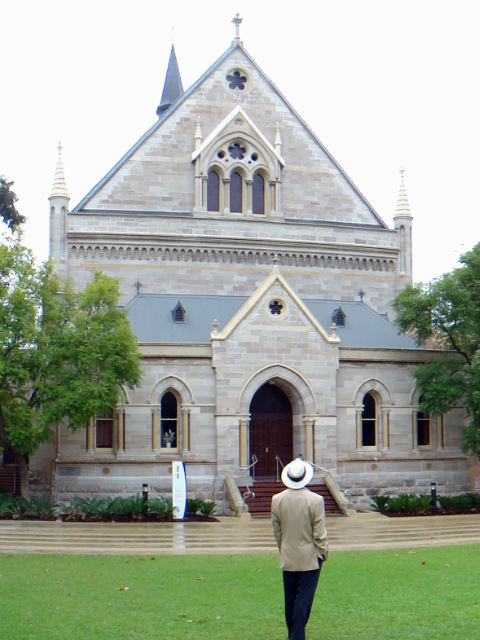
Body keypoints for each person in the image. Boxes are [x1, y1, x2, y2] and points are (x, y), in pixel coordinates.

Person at [271, 458, 328, 640]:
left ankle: (294, 634)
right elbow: (319, 533)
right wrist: (323, 552)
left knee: (290, 598)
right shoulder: (315, 500)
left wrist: (284, 549)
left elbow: (277, 530)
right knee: (304, 599)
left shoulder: (277, 500)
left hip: (289, 555)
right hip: (310, 557)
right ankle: (297, 636)